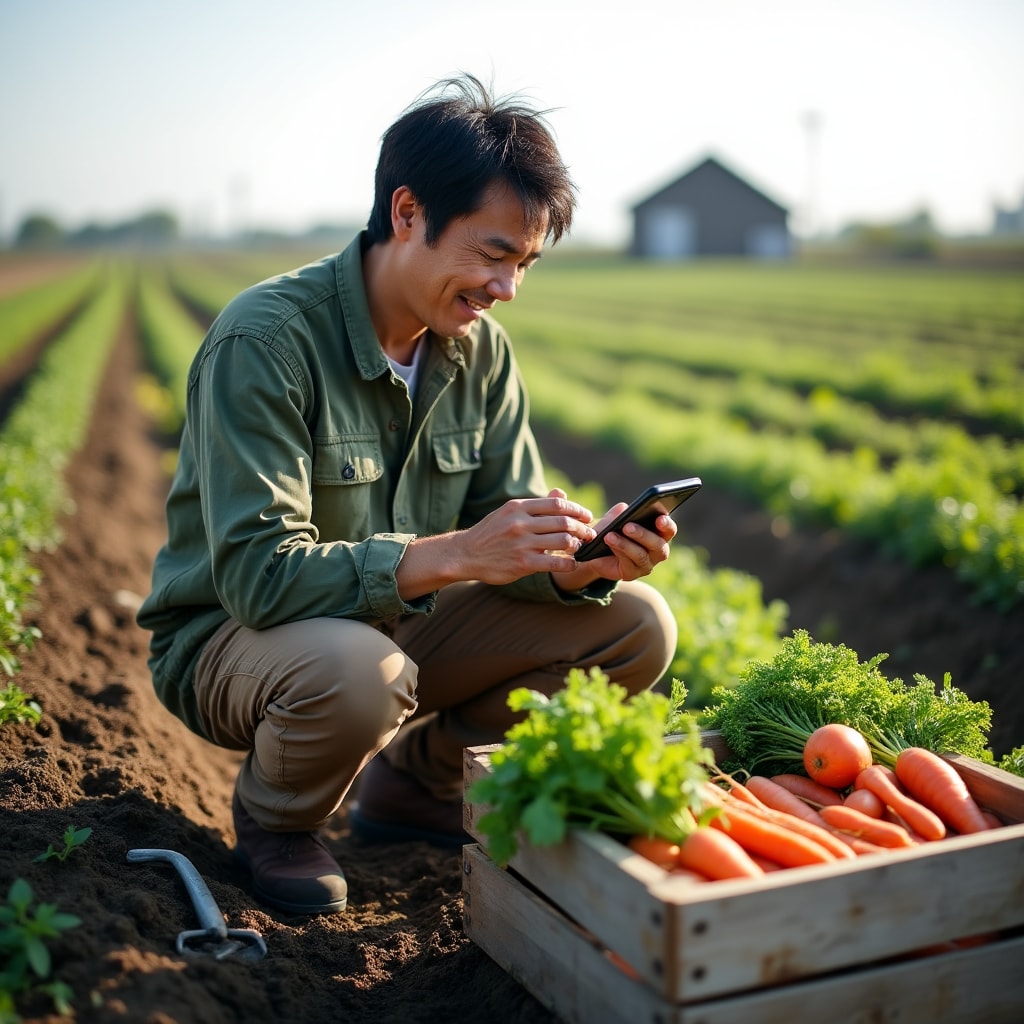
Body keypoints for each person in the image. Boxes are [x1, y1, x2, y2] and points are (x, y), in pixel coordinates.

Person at [136, 74, 678, 917]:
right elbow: (257, 575)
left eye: (524, 264)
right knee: (361, 672)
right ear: (407, 213)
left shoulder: (481, 356)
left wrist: (573, 568)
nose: (507, 289)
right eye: (493, 254)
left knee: (635, 628)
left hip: (400, 628)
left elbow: (511, 530)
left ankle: (417, 788)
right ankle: (280, 821)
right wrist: (458, 553)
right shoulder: (267, 341)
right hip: (234, 640)